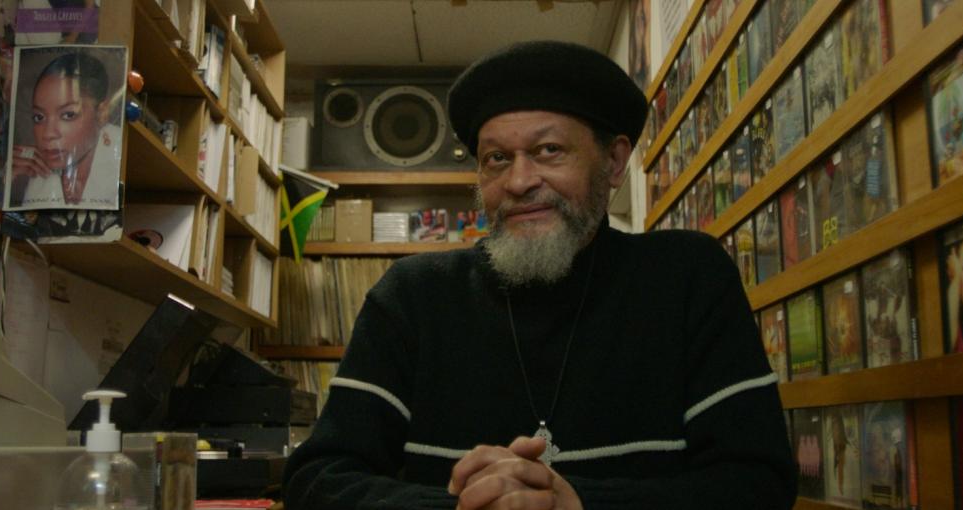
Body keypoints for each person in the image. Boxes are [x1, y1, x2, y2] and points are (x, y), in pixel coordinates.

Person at [283, 41, 796, 509]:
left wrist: (577, 504)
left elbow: (759, 483)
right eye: (497, 159)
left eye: (549, 151)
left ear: (614, 162)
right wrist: (475, 507)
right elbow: (318, 478)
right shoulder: (413, 296)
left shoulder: (687, 278)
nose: (520, 181)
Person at [9, 50, 120, 210]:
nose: (48, 134)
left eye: (68, 115)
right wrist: (8, 182)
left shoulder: (120, 159)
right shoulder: (36, 172)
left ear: (102, 113)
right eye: (39, 117)